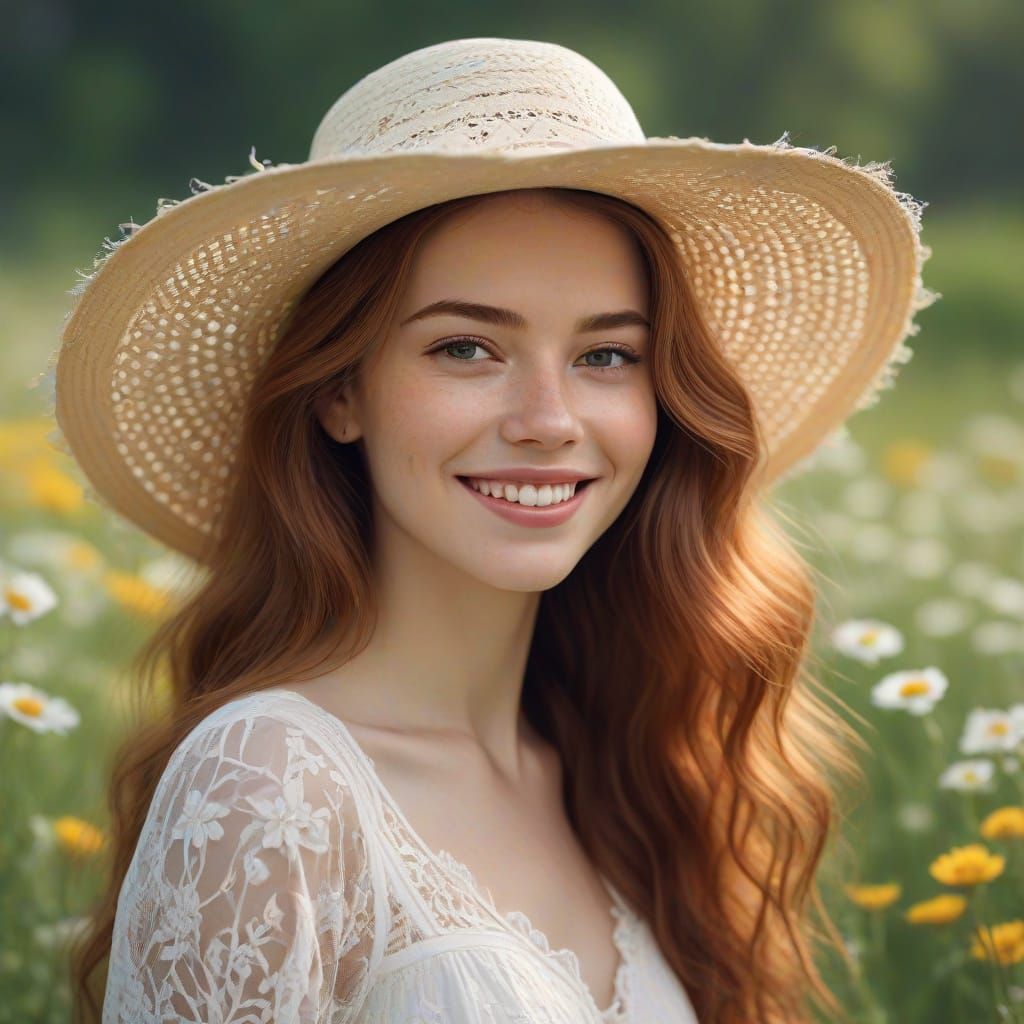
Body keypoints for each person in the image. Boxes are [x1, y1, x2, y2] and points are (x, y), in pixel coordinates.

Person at [45, 37, 937, 1024]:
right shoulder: (270, 786)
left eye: (605, 355)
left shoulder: (628, 771)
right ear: (342, 390)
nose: (549, 419)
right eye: (466, 346)